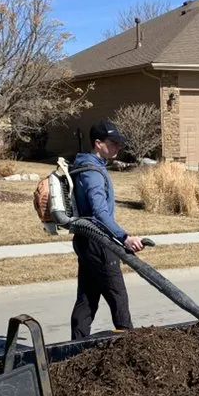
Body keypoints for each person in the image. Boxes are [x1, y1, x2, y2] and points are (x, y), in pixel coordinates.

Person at [69, 120, 144, 339]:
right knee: (117, 296)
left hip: (86, 240)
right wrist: (125, 237)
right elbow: (99, 212)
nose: (117, 147)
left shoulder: (88, 166)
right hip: (98, 242)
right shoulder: (92, 172)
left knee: (87, 298)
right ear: (98, 143)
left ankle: (76, 347)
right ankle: (127, 345)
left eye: (119, 143)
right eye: (113, 143)